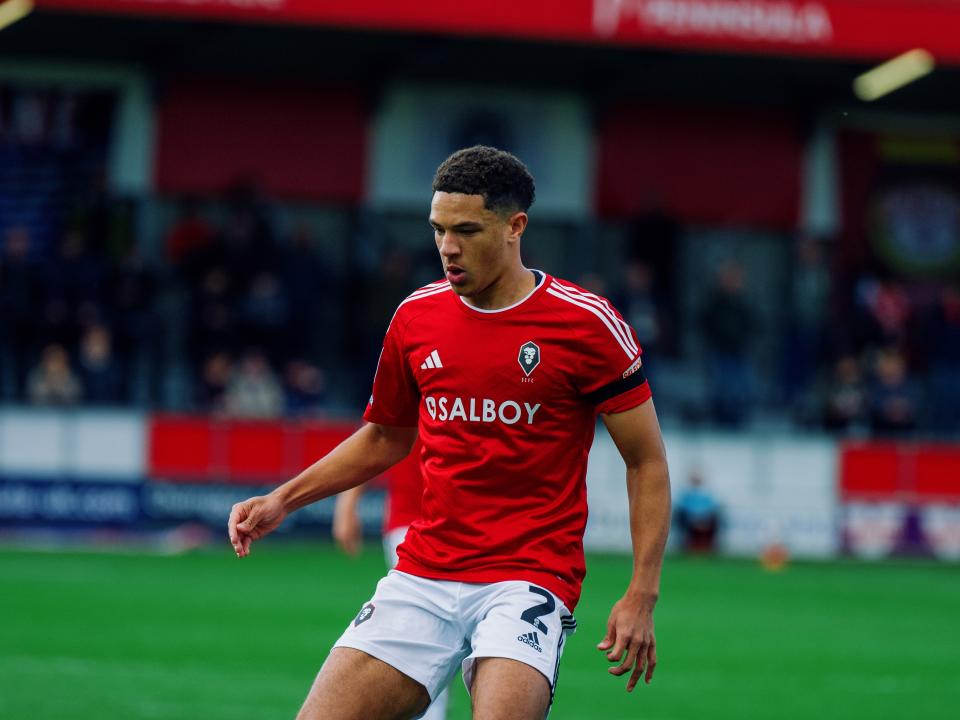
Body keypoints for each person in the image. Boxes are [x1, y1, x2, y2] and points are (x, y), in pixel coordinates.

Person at [228, 146, 672, 720]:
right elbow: (386, 436)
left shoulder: (585, 323)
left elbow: (647, 461)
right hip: (424, 572)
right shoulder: (416, 317)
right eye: (438, 230)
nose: (447, 248)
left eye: (466, 230)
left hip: (528, 578)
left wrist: (642, 591)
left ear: (516, 228)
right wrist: (282, 499)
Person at [332, 439, 451, 720]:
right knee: (431, 636)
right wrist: (347, 503)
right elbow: (377, 437)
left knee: (437, 636)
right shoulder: (412, 394)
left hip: (458, 525)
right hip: (409, 523)